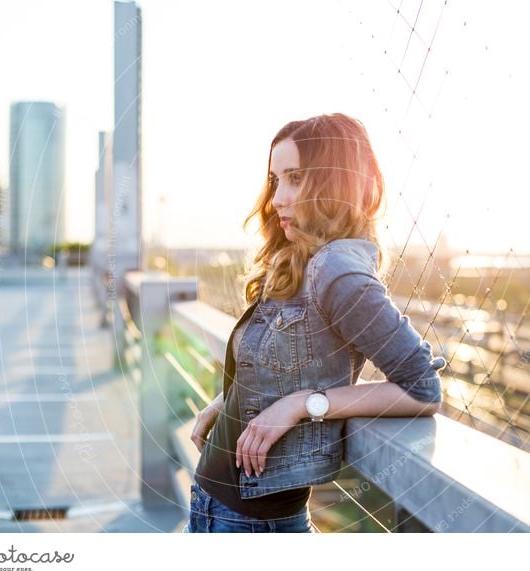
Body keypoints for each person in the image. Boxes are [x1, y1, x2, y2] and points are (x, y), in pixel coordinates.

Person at [184, 113, 447, 534]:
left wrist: (303, 404)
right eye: (275, 181)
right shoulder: (300, 258)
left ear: (334, 183)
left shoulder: (337, 271)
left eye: (295, 178)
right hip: (213, 505)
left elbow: (422, 388)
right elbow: (286, 364)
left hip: (251, 524)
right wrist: (226, 403)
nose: (277, 199)